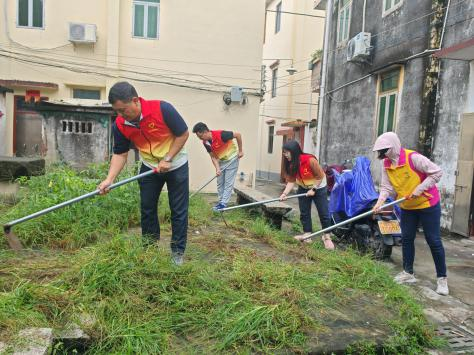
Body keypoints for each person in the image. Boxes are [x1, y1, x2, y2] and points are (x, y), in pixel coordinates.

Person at [98, 82, 190, 266]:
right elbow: (120, 153)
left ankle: (177, 253)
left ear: (135, 101)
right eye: (117, 111)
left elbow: (183, 134)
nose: (121, 115)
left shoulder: (162, 109)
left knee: (178, 210)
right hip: (149, 167)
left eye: (123, 110)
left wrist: (168, 158)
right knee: (147, 209)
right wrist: (109, 179)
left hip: (176, 165)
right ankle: (149, 250)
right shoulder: (120, 124)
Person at [372, 132, 448, 295]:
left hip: (427, 204)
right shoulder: (386, 164)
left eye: (385, 150)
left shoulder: (413, 158)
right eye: (381, 151)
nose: (382, 154)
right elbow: (386, 187)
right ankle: (408, 273)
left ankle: (442, 279)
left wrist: (419, 189)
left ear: (393, 146)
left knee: (433, 240)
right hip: (407, 206)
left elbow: (437, 172)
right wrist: (379, 204)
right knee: (406, 238)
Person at [279, 140, 334, 250]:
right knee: (304, 212)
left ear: (293, 152)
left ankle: (326, 236)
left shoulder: (310, 160)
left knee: (323, 212)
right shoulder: (291, 164)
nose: (285, 155)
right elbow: (291, 180)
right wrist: (284, 193)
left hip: (319, 187)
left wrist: (313, 189)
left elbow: (319, 176)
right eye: (284, 153)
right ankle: (307, 234)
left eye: (286, 152)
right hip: (303, 188)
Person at [192, 122, 243, 210]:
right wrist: (217, 169)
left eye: (200, 136)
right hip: (222, 161)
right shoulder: (205, 143)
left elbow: (238, 135)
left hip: (232, 159)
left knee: (228, 182)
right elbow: (213, 157)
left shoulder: (221, 134)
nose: (200, 139)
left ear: (205, 132)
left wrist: (240, 151)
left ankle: (223, 204)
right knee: (220, 182)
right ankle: (220, 202)